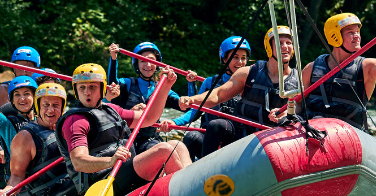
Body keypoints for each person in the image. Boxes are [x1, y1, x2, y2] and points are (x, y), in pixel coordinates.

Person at [55, 63, 191, 196]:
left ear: (102, 88)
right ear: (76, 90)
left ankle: (193, 186)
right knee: (164, 150)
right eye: (82, 87)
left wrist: (165, 86)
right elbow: (79, 162)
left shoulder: (111, 109)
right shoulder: (75, 121)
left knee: (176, 145)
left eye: (92, 87)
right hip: (101, 180)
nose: (87, 92)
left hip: (121, 170)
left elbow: (149, 118)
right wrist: (110, 161)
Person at [180, 27, 300, 155]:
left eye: (288, 43)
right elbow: (219, 95)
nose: (285, 47)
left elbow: (300, 108)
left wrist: (285, 113)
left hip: (271, 137)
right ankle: (205, 171)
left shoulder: (298, 79)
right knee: (216, 125)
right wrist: (192, 99)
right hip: (241, 132)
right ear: (269, 47)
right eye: (279, 43)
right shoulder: (248, 72)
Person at [301, 13, 376, 131]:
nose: (357, 36)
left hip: (347, 134)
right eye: (351, 33)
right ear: (335, 36)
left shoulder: (366, 67)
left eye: (357, 32)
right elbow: (296, 103)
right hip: (312, 130)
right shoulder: (311, 68)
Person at [166, 36, 251, 160]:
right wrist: (174, 122)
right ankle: (192, 172)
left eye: (243, 58)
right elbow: (195, 112)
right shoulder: (209, 83)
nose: (240, 62)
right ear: (224, 59)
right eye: (235, 57)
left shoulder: (250, 84)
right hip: (210, 140)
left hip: (235, 139)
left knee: (217, 125)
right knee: (192, 137)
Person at [106, 41, 197, 154]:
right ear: (137, 64)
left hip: (150, 140)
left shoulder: (164, 89)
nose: (148, 65)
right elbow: (112, 84)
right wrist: (114, 59)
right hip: (125, 139)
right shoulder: (128, 83)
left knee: (160, 149)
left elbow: (191, 108)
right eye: (143, 61)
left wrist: (191, 83)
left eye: (151, 61)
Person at [0, 82, 69, 196]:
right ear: (38, 106)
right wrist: (6, 191)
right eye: (46, 105)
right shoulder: (24, 137)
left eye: (56, 105)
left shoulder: (66, 127)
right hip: (49, 195)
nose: (51, 110)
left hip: (67, 183)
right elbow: (17, 175)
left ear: (62, 108)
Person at [0, 69, 36, 188]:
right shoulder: (7, 125)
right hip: (21, 185)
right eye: (17, 95)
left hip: (41, 178)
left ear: (35, 97)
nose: (22, 99)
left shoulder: (44, 120)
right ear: (12, 100)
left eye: (26, 93)